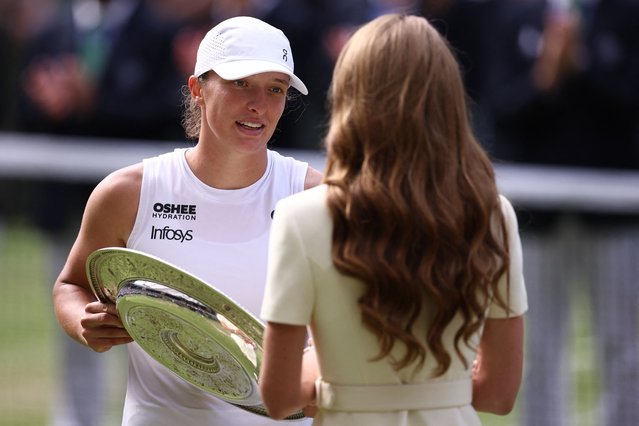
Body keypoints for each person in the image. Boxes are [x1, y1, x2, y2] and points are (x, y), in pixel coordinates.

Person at [258, 13, 527, 425]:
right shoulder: (493, 214)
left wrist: (335, 382)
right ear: (448, 100)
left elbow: (277, 397)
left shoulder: (300, 217)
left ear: (350, 98)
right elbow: (499, 393)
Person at [52, 15, 321, 426]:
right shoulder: (130, 193)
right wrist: (83, 322)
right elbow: (71, 284)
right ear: (197, 88)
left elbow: (357, 318)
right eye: (240, 83)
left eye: (276, 89)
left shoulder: (314, 196)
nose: (259, 105)